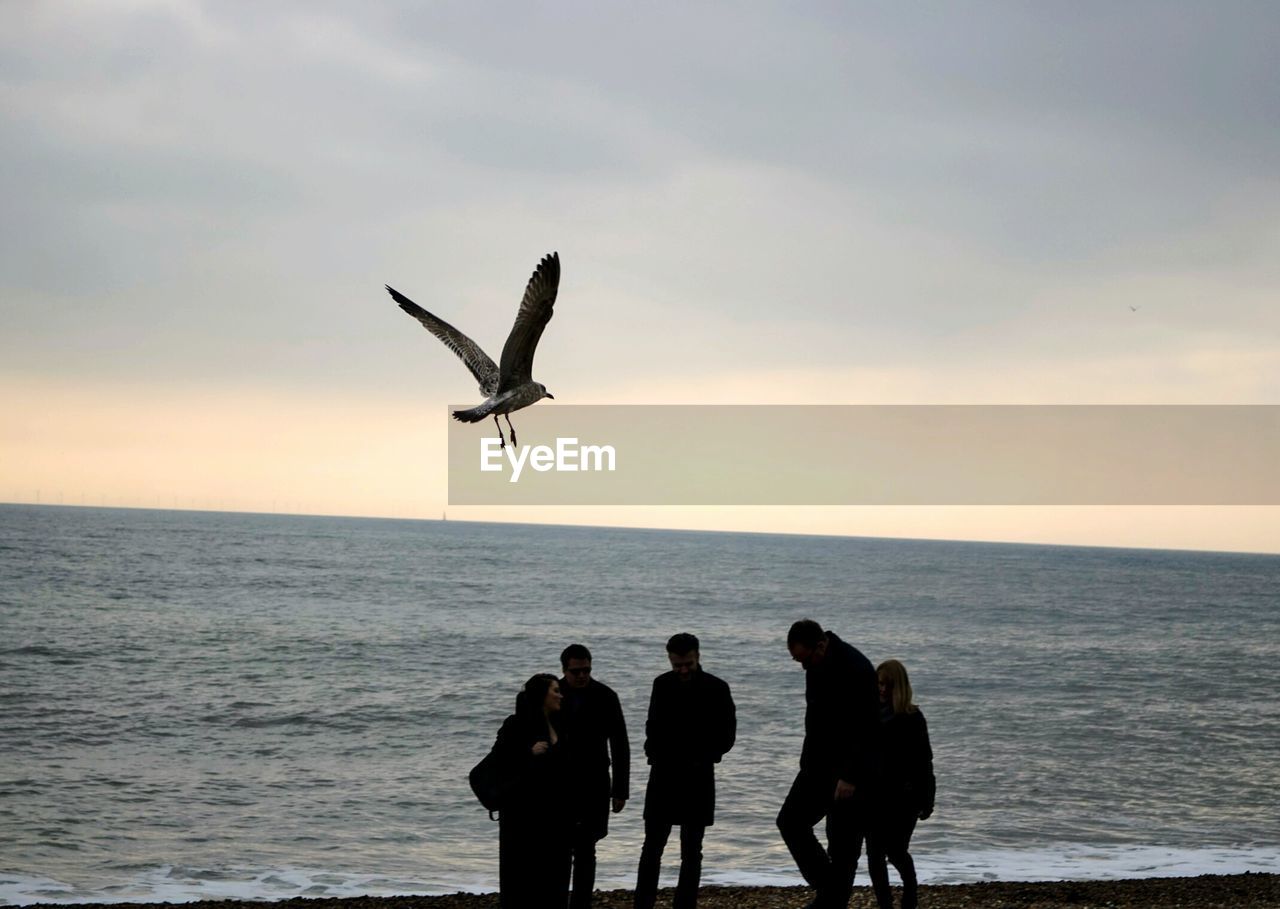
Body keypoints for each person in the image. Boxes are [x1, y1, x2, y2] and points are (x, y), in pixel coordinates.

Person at [777, 619, 882, 909]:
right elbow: (816, 722)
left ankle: (831, 899)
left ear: (820, 645)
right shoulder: (815, 665)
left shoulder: (856, 668)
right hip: (817, 767)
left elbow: (868, 727)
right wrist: (806, 763)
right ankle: (831, 893)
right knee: (789, 822)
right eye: (796, 660)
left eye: (804, 658)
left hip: (852, 773)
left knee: (843, 846)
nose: (802, 666)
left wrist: (850, 776)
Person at [634, 633, 737, 909]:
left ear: (698, 657)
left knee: (692, 850)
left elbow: (727, 735)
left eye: (687, 664)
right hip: (664, 775)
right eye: (677, 665)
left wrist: (703, 754)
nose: (682, 670)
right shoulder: (662, 684)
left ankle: (685, 904)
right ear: (670, 659)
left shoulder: (717, 688)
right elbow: (652, 725)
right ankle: (642, 904)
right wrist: (652, 752)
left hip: (698, 776)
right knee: (652, 847)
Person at [558, 644, 631, 909]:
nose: (581, 676)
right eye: (576, 671)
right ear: (564, 670)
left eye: (586, 670)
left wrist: (621, 790)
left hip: (595, 782)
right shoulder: (553, 693)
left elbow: (620, 742)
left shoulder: (605, 696)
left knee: (587, 848)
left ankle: (581, 903)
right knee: (559, 849)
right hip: (560, 784)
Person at [493, 673, 571, 909]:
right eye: (555, 690)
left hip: (555, 816)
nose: (560, 695)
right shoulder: (516, 725)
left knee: (555, 879)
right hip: (522, 818)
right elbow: (500, 763)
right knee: (521, 881)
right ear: (541, 695)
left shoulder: (560, 723)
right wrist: (528, 754)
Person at [866, 659, 935, 909]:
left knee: (895, 851)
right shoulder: (870, 714)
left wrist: (927, 800)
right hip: (874, 795)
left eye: (887, 684)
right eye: (879, 683)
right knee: (874, 856)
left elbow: (925, 762)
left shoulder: (912, 718)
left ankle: (910, 891)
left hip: (905, 798)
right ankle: (885, 904)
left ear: (899, 686)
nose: (882, 689)